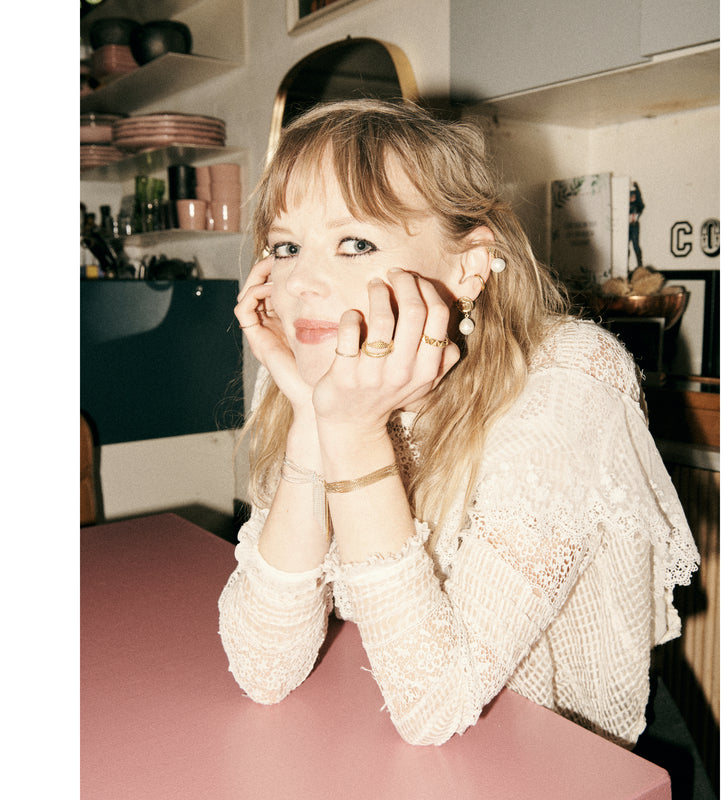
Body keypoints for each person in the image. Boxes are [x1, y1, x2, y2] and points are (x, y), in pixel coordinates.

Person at [218, 99, 699, 748]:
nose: (301, 281)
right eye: (285, 246)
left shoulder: (568, 381)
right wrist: (311, 414)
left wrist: (354, 437)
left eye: (355, 243)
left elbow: (434, 707)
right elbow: (264, 669)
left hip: (566, 761)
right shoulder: (320, 375)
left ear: (468, 267)